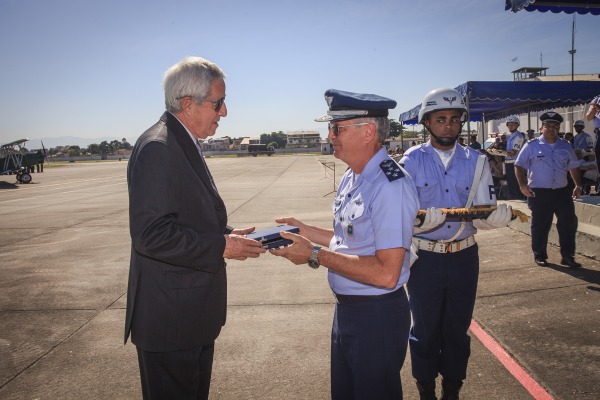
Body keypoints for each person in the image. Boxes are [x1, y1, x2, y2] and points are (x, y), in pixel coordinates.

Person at [124, 56, 266, 399]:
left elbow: (187, 218)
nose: (225, 112)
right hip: (171, 323)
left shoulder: (180, 141)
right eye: (219, 103)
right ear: (188, 103)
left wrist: (227, 236)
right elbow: (151, 234)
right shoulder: (160, 147)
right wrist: (221, 246)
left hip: (188, 319)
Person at [271, 89, 419, 400]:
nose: (330, 135)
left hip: (375, 317)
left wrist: (313, 253)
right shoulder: (355, 175)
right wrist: (305, 230)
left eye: (337, 128)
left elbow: (386, 274)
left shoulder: (390, 186)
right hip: (349, 312)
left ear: (367, 133)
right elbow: (348, 239)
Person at [400, 88, 512, 400]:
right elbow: (399, 216)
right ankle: (426, 390)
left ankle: (452, 390)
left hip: (464, 258)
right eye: (440, 119)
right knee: (423, 331)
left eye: (453, 119)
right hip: (425, 259)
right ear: (427, 123)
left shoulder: (477, 161)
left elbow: (480, 211)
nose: (448, 125)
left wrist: (490, 219)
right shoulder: (409, 162)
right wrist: (419, 223)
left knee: (456, 331)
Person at [515, 111, 583, 269]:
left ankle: (567, 256)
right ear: (541, 128)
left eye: (555, 126)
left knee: (568, 223)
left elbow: (573, 167)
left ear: (558, 128)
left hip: (562, 192)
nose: (551, 128)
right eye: (548, 126)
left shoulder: (565, 146)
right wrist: (522, 185)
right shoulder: (531, 146)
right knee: (541, 224)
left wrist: (578, 185)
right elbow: (519, 165)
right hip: (540, 192)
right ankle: (539, 254)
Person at [504, 115, 526, 200]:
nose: (510, 126)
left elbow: (513, 152)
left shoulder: (518, 136)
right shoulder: (511, 136)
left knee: (515, 186)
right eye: (509, 124)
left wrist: (500, 153)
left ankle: (518, 201)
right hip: (509, 163)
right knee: (511, 185)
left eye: (513, 124)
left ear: (517, 125)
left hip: (515, 163)